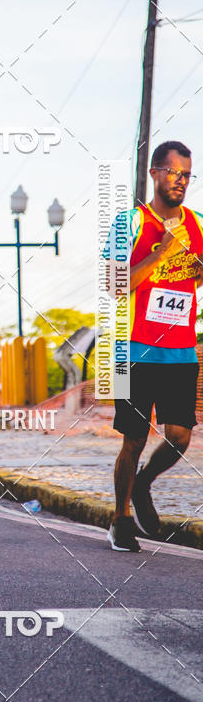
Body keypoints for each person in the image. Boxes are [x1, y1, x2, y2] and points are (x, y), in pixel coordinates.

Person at [106, 140, 203, 552]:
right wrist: (159, 253)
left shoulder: (199, 223)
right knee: (133, 439)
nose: (180, 181)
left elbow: (191, 281)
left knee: (180, 436)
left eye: (186, 174)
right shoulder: (128, 222)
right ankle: (120, 519)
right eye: (172, 172)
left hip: (181, 348)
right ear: (154, 173)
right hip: (135, 348)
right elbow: (114, 286)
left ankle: (144, 482)